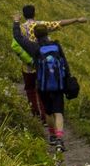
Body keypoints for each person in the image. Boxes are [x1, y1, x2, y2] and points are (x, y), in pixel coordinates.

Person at [12, 4, 86, 124]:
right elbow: (60, 23)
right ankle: (46, 117)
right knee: (42, 88)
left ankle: (35, 113)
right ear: (34, 13)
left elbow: (16, 40)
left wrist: (16, 22)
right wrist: (76, 20)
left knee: (30, 89)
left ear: (24, 15)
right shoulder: (42, 25)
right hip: (44, 66)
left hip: (28, 66)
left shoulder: (21, 28)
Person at [14, 21, 76, 152]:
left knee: (48, 112)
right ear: (47, 34)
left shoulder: (34, 48)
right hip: (58, 84)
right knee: (58, 112)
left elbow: (18, 38)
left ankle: (52, 136)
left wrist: (16, 22)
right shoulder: (56, 46)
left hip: (42, 85)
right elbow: (65, 63)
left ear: (35, 36)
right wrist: (68, 79)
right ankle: (60, 139)